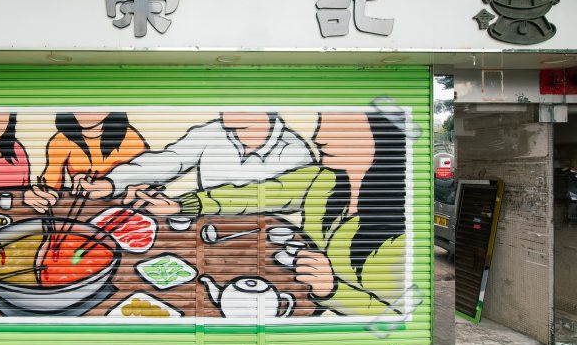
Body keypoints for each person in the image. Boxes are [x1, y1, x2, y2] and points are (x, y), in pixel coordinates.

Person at [132, 112, 407, 318]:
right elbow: (255, 194)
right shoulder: (324, 180)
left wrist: (333, 290)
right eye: (321, 126)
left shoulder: (399, 235)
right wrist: (183, 205)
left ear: (381, 139)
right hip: (297, 290)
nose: (318, 137)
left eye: (340, 130)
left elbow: (395, 319)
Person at [73, 112, 313, 200]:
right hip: (206, 232)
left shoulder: (295, 152)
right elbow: (170, 160)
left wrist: (183, 206)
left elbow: (280, 198)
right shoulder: (212, 132)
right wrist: (112, 182)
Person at [23, 112, 147, 213]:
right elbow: (51, 181)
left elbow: (144, 179)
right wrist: (38, 195)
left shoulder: (130, 139)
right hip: (81, 212)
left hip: (120, 213)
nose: (86, 113)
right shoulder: (61, 140)